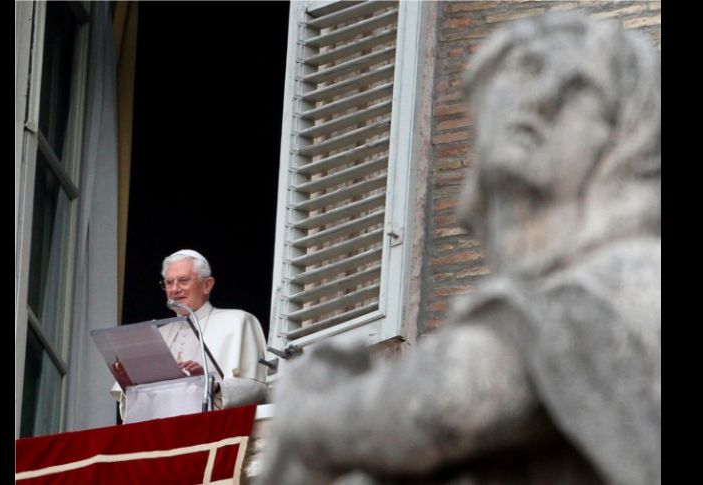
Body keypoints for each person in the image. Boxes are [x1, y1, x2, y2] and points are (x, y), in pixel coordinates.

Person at [261, 12, 660, 485]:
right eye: (523, 74)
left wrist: (307, 411)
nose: (542, 99)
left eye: (580, 90)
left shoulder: (614, 282)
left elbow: (441, 405)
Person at [111, 249, 268, 417]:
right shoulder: (157, 336)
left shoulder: (239, 321)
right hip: (162, 435)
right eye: (169, 283)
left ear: (207, 285)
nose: (174, 289)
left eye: (183, 281)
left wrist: (210, 384)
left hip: (214, 432)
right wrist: (131, 386)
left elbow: (259, 390)